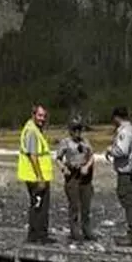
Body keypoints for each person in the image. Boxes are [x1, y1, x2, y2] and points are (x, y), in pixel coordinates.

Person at [105, 106, 132, 247]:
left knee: (129, 204)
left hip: (126, 174)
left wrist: (110, 150)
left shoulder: (124, 132)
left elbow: (122, 150)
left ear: (116, 117)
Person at [17, 104, 55, 244]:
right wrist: (40, 178)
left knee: (37, 205)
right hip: (35, 177)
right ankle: (38, 236)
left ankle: (35, 235)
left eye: (44, 116)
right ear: (33, 115)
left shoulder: (34, 129)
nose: (42, 119)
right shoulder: (32, 131)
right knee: (40, 207)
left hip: (35, 176)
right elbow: (33, 156)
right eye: (40, 115)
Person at [55, 117, 97, 242]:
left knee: (86, 205)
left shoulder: (85, 142)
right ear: (70, 130)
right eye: (75, 129)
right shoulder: (65, 143)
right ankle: (75, 231)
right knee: (74, 205)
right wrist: (63, 168)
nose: (77, 132)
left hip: (85, 176)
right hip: (72, 175)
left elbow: (92, 156)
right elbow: (58, 159)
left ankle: (87, 229)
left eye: (79, 129)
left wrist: (87, 166)